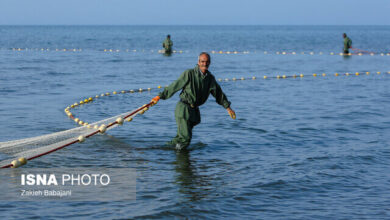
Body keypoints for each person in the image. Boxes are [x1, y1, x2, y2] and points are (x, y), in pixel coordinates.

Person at [151, 52, 236, 150]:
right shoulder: (189, 73)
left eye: (207, 62)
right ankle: (177, 158)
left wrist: (228, 108)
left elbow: (219, 94)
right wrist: (160, 96)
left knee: (181, 138)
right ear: (198, 62)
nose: (205, 64)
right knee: (185, 138)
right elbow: (175, 86)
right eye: (203, 61)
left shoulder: (210, 78)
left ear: (210, 63)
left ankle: (161, 149)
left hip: (194, 112)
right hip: (183, 109)